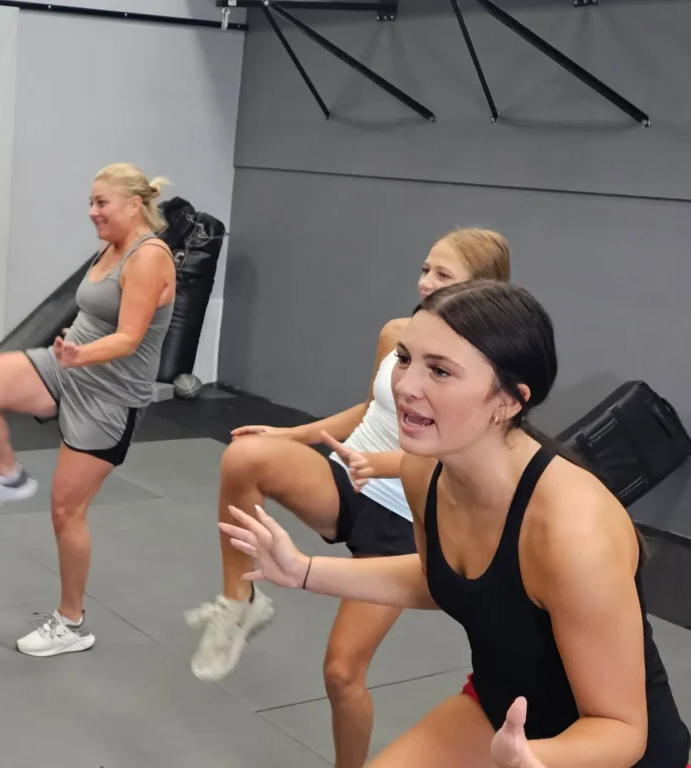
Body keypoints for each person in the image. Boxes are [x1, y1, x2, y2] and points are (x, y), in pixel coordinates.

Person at [220, 280, 691, 768]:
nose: (405, 386)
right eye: (405, 359)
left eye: (440, 371)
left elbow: (621, 730)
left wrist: (534, 759)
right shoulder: (424, 469)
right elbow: (441, 577)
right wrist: (303, 570)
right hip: (499, 711)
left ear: (508, 402)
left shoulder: (574, 529)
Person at [186, 228, 511, 767]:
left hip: (402, 521)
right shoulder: (399, 334)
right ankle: (238, 605)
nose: (425, 282)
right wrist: (288, 436)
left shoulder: (483, 371)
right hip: (346, 480)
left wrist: (382, 465)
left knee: (341, 673)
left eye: (443, 275)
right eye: (425, 268)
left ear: (481, 289)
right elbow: (370, 411)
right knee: (244, 459)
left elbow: (459, 458)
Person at [0, 162, 177, 658]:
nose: (93, 212)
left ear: (135, 204)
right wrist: (69, 354)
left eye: (102, 203)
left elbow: (129, 337)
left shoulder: (149, 257)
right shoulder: (112, 246)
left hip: (108, 397)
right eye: (91, 203)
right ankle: (7, 474)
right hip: (66, 367)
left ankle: (72, 623)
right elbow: (95, 314)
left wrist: (80, 356)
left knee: (65, 511)